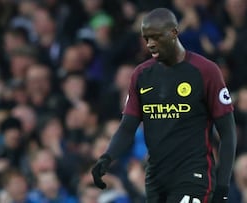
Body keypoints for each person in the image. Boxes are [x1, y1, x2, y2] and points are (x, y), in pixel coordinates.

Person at [91, 8, 237, 203]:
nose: (150, 44)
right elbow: (127, 128)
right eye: (146, 38)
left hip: (192, 175)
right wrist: (106, 158)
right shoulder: (141, 75)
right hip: (156, 178)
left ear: (174, 33)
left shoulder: (206, 71)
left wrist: (223, 186)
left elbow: (227, 132)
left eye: (156, 37)